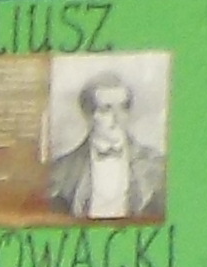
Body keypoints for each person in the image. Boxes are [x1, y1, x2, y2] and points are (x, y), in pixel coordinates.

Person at [47, 69, 160, 224]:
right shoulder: (62, 169)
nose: (117, 117)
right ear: (89, 115)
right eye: (106, 109)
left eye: (123, 107)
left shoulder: (155, 163)